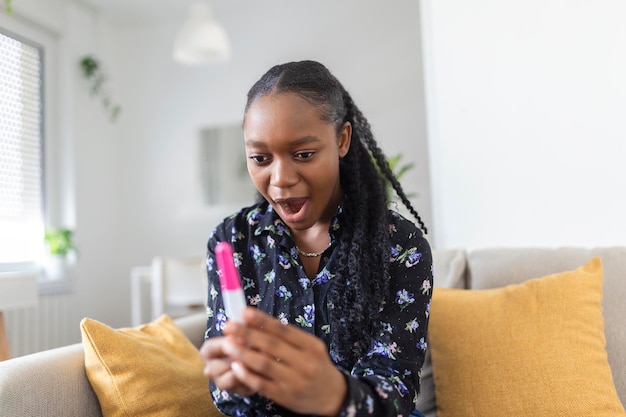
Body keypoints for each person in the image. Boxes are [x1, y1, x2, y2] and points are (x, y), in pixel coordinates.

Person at [200, 60, 432, 417]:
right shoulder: (232, 242)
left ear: (342, 140)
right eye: (260, 158)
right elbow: (225, 391)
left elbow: (396, 393)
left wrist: (335, 394)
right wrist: (235, 382)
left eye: (303, 155)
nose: (280, 179)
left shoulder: (399, 245)